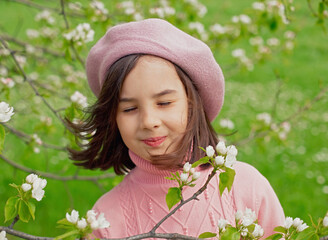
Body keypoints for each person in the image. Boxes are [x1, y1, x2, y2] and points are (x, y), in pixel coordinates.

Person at [68, 18, 285, 238]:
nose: (148, 121)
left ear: (193, 105)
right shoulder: (105, 218)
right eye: (130, 108)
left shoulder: (246, 187)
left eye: (164, 103)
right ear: (112, 118)